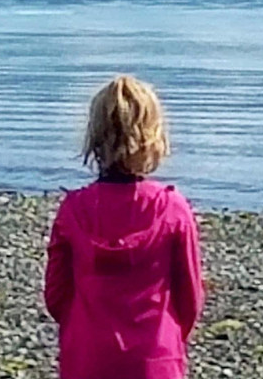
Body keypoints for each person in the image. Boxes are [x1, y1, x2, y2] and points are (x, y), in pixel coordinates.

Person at [44, 75, 204, 379]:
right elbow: (190, 298)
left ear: (96, 137)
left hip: (87, 356)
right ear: (153, 136)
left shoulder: (74, 210)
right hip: (155, 357)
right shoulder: (173, 209)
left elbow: (56, 295)